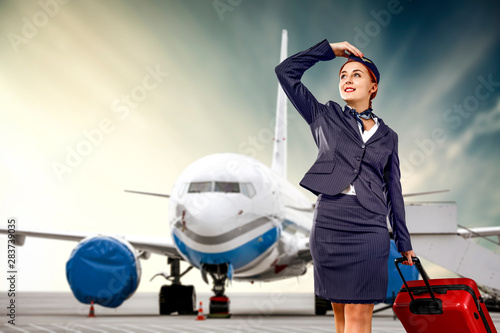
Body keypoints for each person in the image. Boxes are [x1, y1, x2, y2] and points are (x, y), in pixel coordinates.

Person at [275, 40, 416, 333]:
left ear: (373, 87)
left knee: (359, 312)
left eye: (356, 75)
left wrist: (404, 242)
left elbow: (394, 191)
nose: (348, 80)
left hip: (370, 227)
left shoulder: (389, 137)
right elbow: (286, 72)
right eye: (343, 75)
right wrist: (330, 50)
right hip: (329, 223)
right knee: (340, 314)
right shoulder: (324, 116)